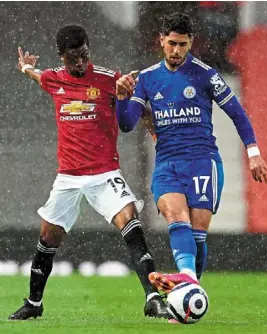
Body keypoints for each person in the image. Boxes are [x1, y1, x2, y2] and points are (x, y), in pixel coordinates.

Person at [8, 25, 170, 320]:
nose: (80, 62)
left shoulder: (110, 79)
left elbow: (131, 117)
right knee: (48, 238)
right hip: (68, 177)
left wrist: (132, 107)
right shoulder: (53, 79)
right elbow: (38, 76)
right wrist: (26, 68)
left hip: (105, 172)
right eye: (73, 58)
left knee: (130, 222)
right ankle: (34, 304)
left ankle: (152, 298)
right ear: (62, 57)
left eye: (84, 55)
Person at [115, 13, 267, 294]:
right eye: (172, 44)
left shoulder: (205, 75)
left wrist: (254, 153)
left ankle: (187, 293)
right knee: (177, 218)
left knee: (198, 235)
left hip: (202, 162)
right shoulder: (147, 78)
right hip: (167, 163)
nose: (177, 51)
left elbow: (238, 115)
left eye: (183, 45)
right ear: (161, 40)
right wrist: (122, 97)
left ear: (191, 43)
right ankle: (188, 279)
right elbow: (127, 124)